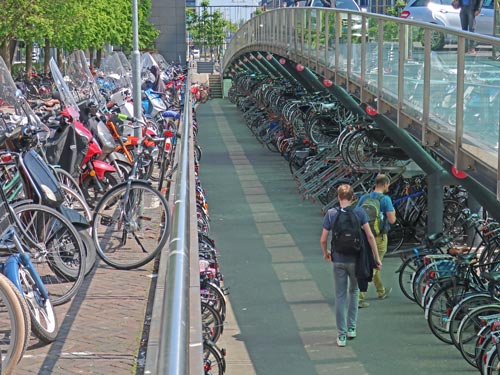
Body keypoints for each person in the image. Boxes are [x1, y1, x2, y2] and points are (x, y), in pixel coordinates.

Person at [320, 184, 381, 347]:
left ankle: (341, 336)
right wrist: (376, 257)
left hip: (338, 259)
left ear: (338, 197)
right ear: (353, 197)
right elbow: (369, 235)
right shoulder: (359, 212)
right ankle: (352, 328)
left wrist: (326, 253)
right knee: (353, 292)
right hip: (356, 260)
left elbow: (323, 239)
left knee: (340, 296)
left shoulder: (331, 214)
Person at [356, 174, 396, 308]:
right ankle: (359, 296)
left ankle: (381, 291)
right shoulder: (385, 199)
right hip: (379, 237)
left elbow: (358, 215)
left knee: (372, 263)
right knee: (373, 266)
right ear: (385, 184)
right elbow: (391, 220)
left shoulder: (364, 197)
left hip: (365, 235)